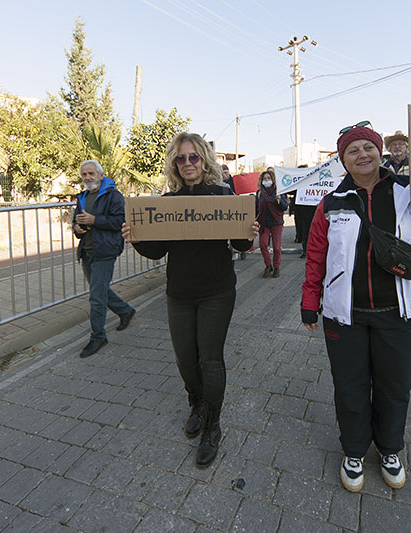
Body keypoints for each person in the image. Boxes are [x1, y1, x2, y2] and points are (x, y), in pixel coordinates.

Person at [301, 122, 411, 492]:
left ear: (379, 151)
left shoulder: (408, 193)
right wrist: (310, 301)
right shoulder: (331, 203)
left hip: (399, 315)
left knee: (394, 387)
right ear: (343, 160)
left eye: (368, 147)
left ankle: (389, 449)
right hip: (345, 316)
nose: (362, 155)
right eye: (353, 151)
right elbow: (316, 256)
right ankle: (353, 451)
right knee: (349, 387)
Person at [121, 133, 258, 468]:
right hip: (179, 294)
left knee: (210, 360)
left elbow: (240, 247)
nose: (187, 164)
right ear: (174, 164)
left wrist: (249, 232)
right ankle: (196, 404)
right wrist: (135, 237)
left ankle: (213, 424)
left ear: (204, 160)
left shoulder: (224, 196)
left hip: (217, 291)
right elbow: (157, 250)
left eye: (193, 157)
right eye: (180, 159)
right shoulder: (168, 201)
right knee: (186, 360)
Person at [73, 160, 136, 358]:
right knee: (99, 290)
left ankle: (98, 336)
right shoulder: (82, 197)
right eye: (84, 174)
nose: (87, 177)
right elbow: (77, 221)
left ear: (101, 175)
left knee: (97, 297)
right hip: (87, 251)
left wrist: (94, 220)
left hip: (105, 251)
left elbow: (120, 221)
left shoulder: (113, 195)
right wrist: (78, 228)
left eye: (91, 173)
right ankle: (125, 311)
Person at [255, 168, 288, 278]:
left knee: (277, 247)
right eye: (264, 178)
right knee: (263, 245)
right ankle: (268, 266)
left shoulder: (279, 190)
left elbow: (284, 207)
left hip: (276, 222)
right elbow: (256, 208)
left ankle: (277, 267)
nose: (266, 180)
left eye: (268, 178)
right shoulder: (259, 193)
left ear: (273, 179)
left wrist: (279, 200)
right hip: (264, 223)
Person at [222, 164, 246, 260]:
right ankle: (232, 250)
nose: (225, 175)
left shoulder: (234, 181)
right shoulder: (219, 184)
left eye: (226, 172)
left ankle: (242, 250)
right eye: (223, 173)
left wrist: (243, 177)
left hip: (235, 208)